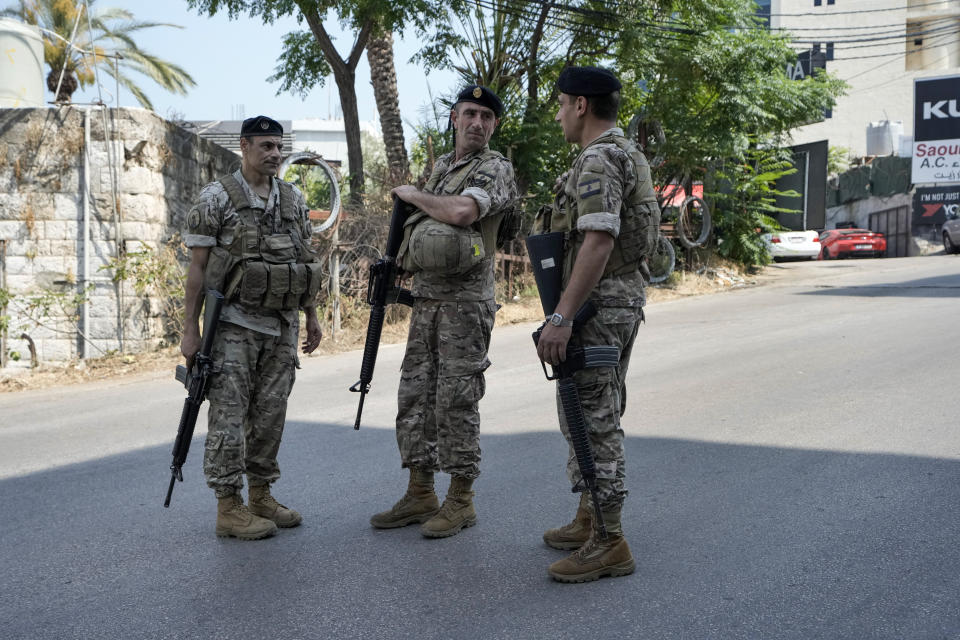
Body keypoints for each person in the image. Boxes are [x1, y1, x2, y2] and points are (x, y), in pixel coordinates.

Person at [370, 85, 518, 538]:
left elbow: (460, 212)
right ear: (454, 118)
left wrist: (414, 195)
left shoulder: (495, 168)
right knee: (415, 395)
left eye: (487, 117)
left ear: (493, 126)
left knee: (456, 400)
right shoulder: (441, 168)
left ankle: (460, 500)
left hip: (466, 305)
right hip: (427, 301)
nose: (478, 123)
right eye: (470, 114)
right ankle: (419, 492)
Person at [533, 67, 660, 582]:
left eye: (562, 104)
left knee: (593, 418)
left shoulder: (599, 157)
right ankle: (590, 517)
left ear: (581, 105)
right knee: (593, 409)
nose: (560, 113)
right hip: (618, 304)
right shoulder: (627, 151)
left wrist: (562, 317)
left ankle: (609, 542)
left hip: (596, 312)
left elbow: (599, 240)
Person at [181, 115, 323, 540]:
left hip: (281, 325)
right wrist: (189, 328)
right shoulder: (215, 199)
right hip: (233, 328)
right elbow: (197, 269)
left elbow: (304, 262)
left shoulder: (294, 199)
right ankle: (229, 506)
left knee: (270, 415)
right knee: (229, 414)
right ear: (244, 146)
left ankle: (261, 495)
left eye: (278, 146)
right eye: (265, 146)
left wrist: (311, 315)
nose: (274, 154)